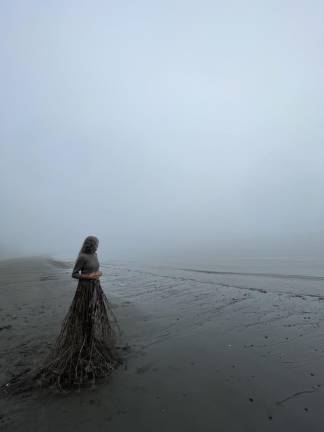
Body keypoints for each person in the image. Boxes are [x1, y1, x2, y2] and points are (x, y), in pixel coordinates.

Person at [2, 235, 122, 394]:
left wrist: (98, 274)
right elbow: (74, 274)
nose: (97, 247)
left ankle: (90, 340)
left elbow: (94, 269)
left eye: (98, 244)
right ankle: (83, 342)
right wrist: (89, 276)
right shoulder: (83, 256)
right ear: (89, 244)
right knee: (83, 315)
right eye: (95, 244)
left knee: (93, 314)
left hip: (95, 289)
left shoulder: (95, 255)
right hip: (84, 291)